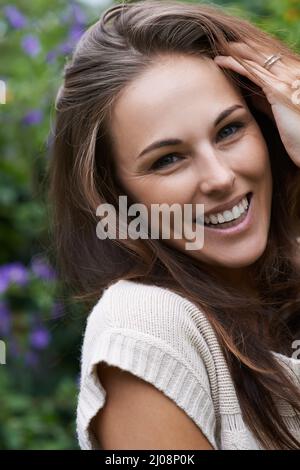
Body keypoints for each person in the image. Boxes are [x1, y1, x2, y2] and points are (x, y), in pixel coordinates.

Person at [48, 0, 300, 450]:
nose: (219, 178)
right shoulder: (146, 327)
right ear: (117, 196)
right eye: (168, 159)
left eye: (229, 130)